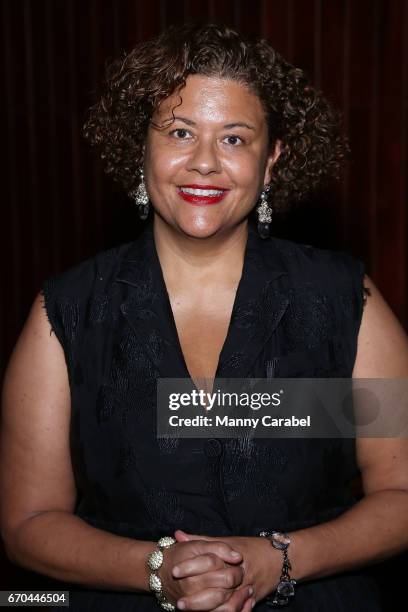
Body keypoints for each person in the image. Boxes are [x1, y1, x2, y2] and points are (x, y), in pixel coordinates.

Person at [1, 22, 408, 612]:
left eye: (235, 139)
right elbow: (28, 522)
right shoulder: (67, 311)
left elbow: (400, 492)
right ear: (141, 147)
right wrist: (156, 570)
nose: (205, 163)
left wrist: (280, 560)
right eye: (180, 132)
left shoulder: (340, 299)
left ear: (271, 162)